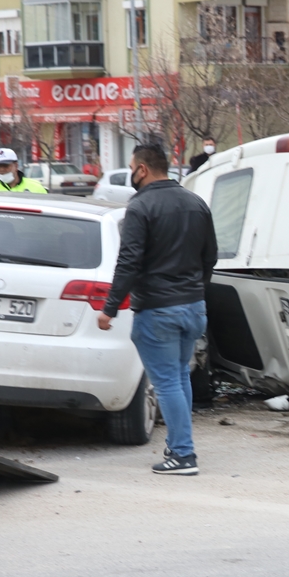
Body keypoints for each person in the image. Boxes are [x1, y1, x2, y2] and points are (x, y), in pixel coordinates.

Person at [98, 144, 217, 476]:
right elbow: (211, 257)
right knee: (179, 377)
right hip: (193, 308)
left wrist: (109, 309)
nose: (132, 173)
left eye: (132, 167)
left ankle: (182, 454)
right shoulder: (196, 203)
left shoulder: (140, 207)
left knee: (166, 382)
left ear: (142, 169)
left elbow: (129, 263)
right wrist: (195, 289)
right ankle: (181, 445)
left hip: (159, 310)